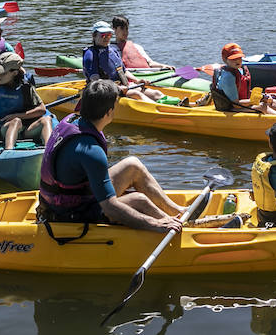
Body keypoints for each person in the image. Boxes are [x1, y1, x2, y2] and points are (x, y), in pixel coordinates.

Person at [36, 79, 185, 232]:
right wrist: (153, 224)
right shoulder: (91, 151)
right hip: (68, 212)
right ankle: (171, 225)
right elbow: (109, 207)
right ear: (109, 112)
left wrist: (120, 89)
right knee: (139, 200)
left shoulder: (71, 120)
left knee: (132, 165)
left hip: (64, 197)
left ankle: (177, 212)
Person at [0, 50, 52, 150]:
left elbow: (42, 110)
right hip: (1, 129)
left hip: (25, 130)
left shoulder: (26, 88)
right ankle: (8, 152)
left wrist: (17, 115)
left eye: (2, 73)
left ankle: (49, 153)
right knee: (15, 122)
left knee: (46, 120)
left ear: (14, 73)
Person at [211, 43, 276, 116]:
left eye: (239, 57)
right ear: (225, 59)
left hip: (240, 104)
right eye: (233, 59)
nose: (238, 61)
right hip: (232, 108)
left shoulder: (239, 70)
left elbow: (242, 91)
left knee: (273, 102)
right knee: (262, 106)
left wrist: (264, 95)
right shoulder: (228, 77)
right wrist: (260, 99)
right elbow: (235, 104)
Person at [82, 21, 162, 101]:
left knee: (156, 93)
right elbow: (96, 81)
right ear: (94, 36)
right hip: (103, 91)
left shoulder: (113, 50)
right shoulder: (90, 54)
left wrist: (137, 81)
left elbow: (123, 71)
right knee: (136, 94)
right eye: (103, 35)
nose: (106, 38)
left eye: (109, 35)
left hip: (122, 86)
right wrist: (117, 87)